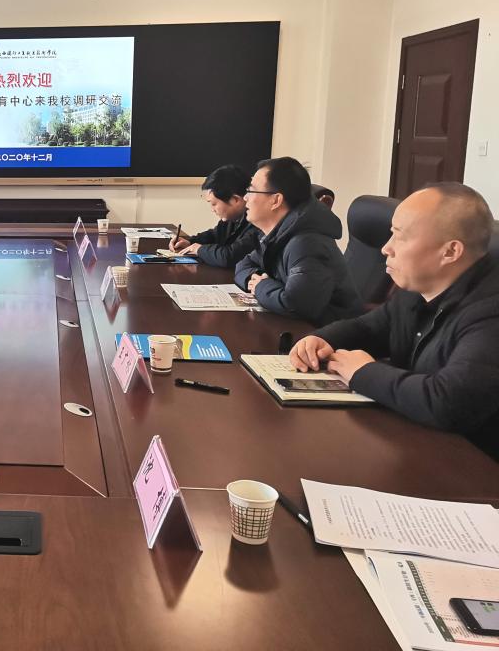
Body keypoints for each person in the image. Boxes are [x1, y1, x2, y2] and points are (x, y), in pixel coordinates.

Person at [290, 183, 499, 459]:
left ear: (450, 252)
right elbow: (369, 327)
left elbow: (448, 403)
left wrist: (364, 372)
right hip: (413, 443)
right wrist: (321, 339)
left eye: (400, 237)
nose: (386, 248)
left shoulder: (490, 311)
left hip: (471, 467)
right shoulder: (418, 289)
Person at [234, 157, 362, 325]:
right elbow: (243, 266)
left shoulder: (307, 243)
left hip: (325, 334)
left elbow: (297, 305)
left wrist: (261, 286)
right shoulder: (278, 233)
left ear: (276, 200)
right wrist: (257, 282)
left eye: (251, 190)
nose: (245, 198)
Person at [172, 164, 260, 268]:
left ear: (235, 200)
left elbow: (229, 257)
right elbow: (214, 235)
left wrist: (199, 249)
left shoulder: (258, 221)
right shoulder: (231, 218)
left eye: (214, 204)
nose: (212, 209)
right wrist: (190, 242)